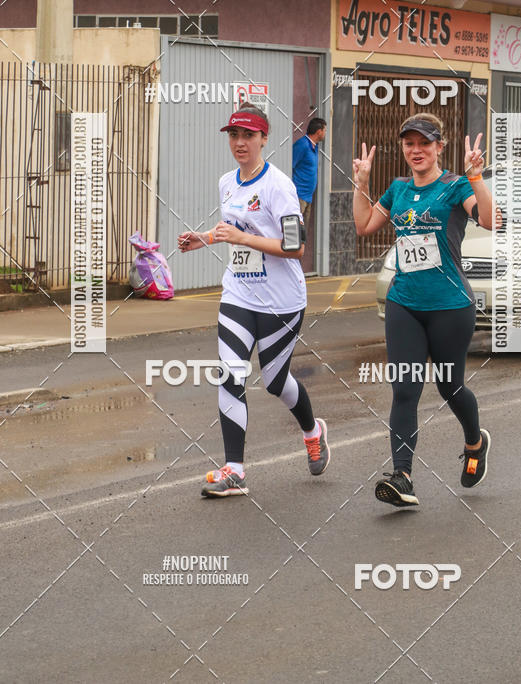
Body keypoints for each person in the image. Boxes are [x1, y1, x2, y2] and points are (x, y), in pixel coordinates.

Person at [178, 103, 330, 497]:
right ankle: (235, 470)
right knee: (231, 373)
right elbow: (232, 227)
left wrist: (244, 239)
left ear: (264, 138)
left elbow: (296, 247)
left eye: (248, 135)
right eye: (234, 135)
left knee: (276, 382)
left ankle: (313, 431)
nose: (240, 142)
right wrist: (204, 238)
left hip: (281, 301)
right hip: (239, 293)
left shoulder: (279, 186)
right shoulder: (227, 182)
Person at [352, 112, 500, 508]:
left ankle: (475, 441)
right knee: (404, 390)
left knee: (450, 387)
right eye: (409, 143)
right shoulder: (398, 189)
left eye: (424, 143)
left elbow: (490, 220)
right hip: (405, 303)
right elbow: (365, 225)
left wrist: (476, 177)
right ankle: (402, 477)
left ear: (440, 147)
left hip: (451, 306)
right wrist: (361, 184)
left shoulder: (454, 187)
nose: (416, 150)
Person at [292, 117, 327, 228]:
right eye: (325, 130)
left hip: (308, 197)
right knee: (295, 231)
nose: (325, 133)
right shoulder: (302, 145)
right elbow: (290, 166)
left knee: (303, 233)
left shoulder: (314, 147)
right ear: (319, 132)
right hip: (298, 196)